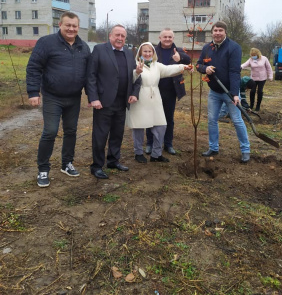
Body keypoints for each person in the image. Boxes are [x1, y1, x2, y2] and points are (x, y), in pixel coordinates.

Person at [26, 12, 91, 187]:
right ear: (60, 25)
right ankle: (43, 169)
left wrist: (91, 96)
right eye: (67, 25)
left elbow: (88, 75)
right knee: (50, 131)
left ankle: (67, 164)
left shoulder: (83, 47)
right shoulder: (46, 43)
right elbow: (34, 67)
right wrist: (33, 92)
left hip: (74, 98)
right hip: (52, 97)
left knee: (71, 131)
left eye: (74, 26)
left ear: (78, 27)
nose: (71, 29)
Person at [86, 25, 141, 179]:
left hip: (122, 102)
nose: (120, 38)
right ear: (110, 36)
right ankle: (96, 166)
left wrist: (135, 94)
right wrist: (93, 98)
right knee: (100, 135)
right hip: (103, 102)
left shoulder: (129, 54)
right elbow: (91, 75)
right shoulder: (99, 50)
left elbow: (137, 76)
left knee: (117, 134)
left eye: (123, 36)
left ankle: (113, 160)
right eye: (117, 35)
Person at [127, 42, 192, 163]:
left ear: (153, 53)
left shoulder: (156, 65)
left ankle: (156, 154)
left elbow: (169, 69)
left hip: (155, 98)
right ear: (140, 53)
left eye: (150, 51)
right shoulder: (134, 64)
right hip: (140, 98)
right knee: (139, 127)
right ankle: (138, 153)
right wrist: (137, 72)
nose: (147, 54)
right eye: (145, 51)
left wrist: (183, 67)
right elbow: (130, 79)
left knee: (161, 125)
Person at [196, 21, 251, 163]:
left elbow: (234, 71)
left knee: (237, 120)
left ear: (225, 32)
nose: (218, 33)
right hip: (214, 91)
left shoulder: (234, 48)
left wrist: (234, 94)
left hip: (230, 92)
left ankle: (245, 150)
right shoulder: (207, 48)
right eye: (215, 30)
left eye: (220, 30)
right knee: (212, 120)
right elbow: (199, 64)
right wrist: (205, 69)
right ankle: (213, 147)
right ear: (212, 32)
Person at [145, 28, 191, 155]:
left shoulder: (178, 51)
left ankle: (168, 144)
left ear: (173, 38)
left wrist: (179, 58)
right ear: (160, 38)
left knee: (168, 118)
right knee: (151, 117)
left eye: (170, 37)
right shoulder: (153, 50)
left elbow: (188, 60)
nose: (167, 39)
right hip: (154, 90)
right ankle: (150, 143)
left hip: (171, 91)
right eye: (165, 37)